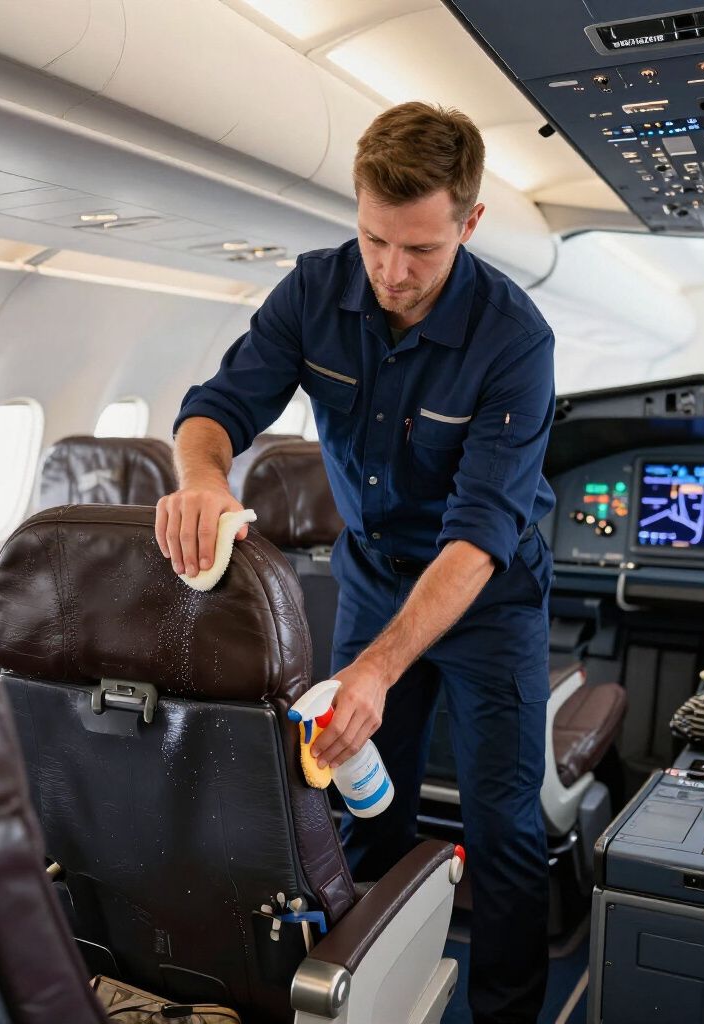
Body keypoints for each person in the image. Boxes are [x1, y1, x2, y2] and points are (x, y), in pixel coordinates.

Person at [156, 101, 556, 1024]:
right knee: (362, 807)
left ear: (470, 222)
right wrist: (203, 479)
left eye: (420, 249)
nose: (391, 271)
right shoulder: (314, 291)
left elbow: (482, 532)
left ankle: (505, 1015)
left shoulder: (514, 339)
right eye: (376, 239)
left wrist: (375, 668)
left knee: (502, 829)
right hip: (376, 575)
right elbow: (216, 407)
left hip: (488, 595)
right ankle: (379, 1000)